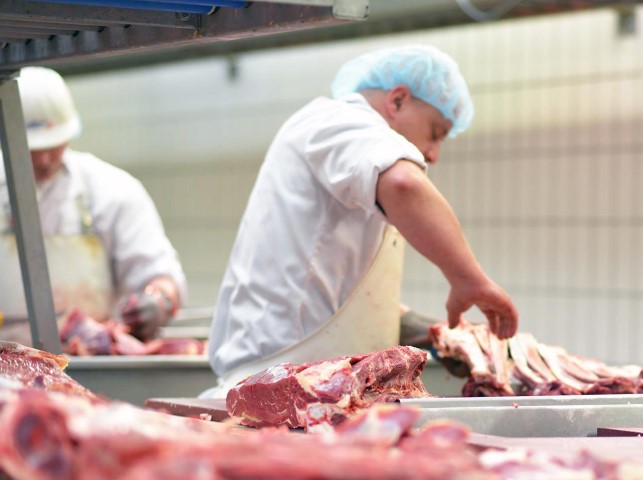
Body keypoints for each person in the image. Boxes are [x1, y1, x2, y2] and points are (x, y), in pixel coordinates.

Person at [204, 45, 518, 397]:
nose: (433, 154)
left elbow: (341, 296)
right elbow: (404, 183)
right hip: (277, 388)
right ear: (397, 100)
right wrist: (469, 280)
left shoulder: (351, 157)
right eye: (435, 133)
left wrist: (442, 335)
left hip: (311, 387)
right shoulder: (336, 120)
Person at [0, 66, 187, 345]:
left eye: (53, 145)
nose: (44, 160)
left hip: (90, 359)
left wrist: (158, 300)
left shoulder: (113, 190)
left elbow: (161, 276)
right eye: (33, 149)